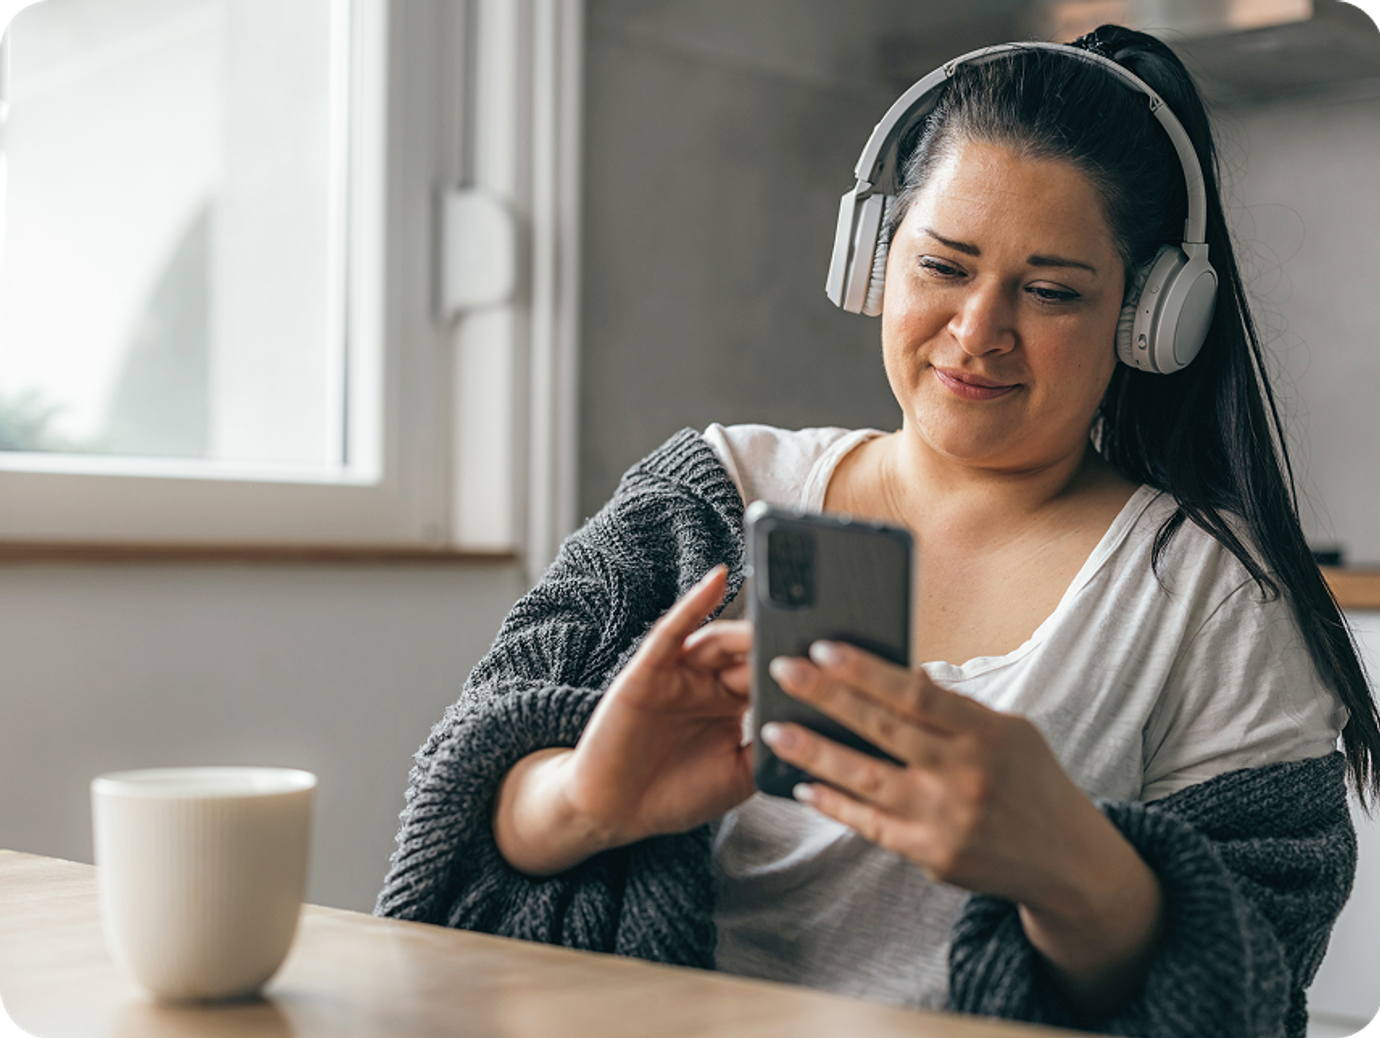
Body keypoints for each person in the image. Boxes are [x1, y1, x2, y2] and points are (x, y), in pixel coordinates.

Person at [375, 25, 1377, 1038]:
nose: (979, 331)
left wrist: (1070, 863)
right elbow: (459, 798)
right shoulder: (706, 496)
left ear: (1146, 317)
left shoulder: (1219, 599)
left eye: (1051, 291)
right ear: (873, 257)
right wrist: (588, 796)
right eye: (943, 264)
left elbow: (1252, 992)